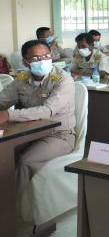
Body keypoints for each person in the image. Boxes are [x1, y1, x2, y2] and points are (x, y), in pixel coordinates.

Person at [0, 40, 76, 196]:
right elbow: (3, 100)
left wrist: (9, 114)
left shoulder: (63, 79)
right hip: (28, 133)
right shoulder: (22, 78)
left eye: (46, 56)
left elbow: (48, 110)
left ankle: (16, 211)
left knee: (25, 161)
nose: (43, 61)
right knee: (4, 156)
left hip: (59, 135)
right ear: (25, 62)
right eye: (36, 58)